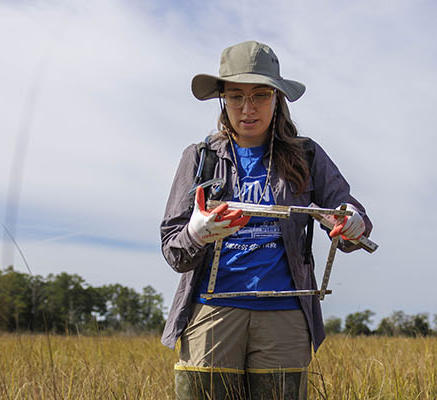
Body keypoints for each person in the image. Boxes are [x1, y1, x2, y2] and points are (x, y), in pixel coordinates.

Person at [159, 40, 373, 399]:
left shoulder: (306, 155)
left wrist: (352, 222)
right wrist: (196, 233)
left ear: (278, 99)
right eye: (235, 96)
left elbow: (347, 213)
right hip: (212, 311)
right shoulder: (200, 158)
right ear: (222, 100)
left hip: (284, 315)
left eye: (260, 95)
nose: (247, 108)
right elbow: (173, 248)